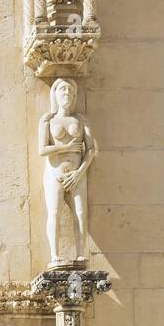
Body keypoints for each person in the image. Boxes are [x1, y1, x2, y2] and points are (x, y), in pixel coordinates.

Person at [38, 77, 97, 267]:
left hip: (76, 172)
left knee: (80, 213)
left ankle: (81, 254)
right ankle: (55, 255)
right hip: (54, 171)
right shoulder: (48, 120)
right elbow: (43, 149)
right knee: (53, 212)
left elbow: (90, 150)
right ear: (55, 94)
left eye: (70, 92)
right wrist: (66, 148)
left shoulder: (80, 120)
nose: (67, 94)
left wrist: (79, 172)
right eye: (62, 90)